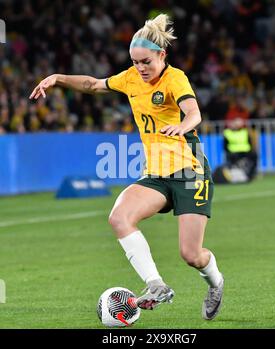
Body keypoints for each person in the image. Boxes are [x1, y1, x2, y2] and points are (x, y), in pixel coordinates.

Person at [30, 14, 224, 321]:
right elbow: (94, 84)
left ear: (162, 55)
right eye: (135, 62)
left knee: (191, 255)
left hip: (190, 172)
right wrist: (58, 78)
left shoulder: (176, 79)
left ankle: (215, 283)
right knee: (119, 217)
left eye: (146, 62)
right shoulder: (132, 79)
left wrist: (182, 127)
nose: (140, 69)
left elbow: (194, 113)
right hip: (157, 175)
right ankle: (156, 284)